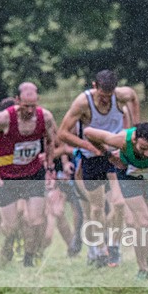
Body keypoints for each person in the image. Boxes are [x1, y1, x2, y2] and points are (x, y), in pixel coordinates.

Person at [58, 69, 139, 267]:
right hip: (91, 159)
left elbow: (133, 97)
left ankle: (114, 246)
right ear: (95, 87)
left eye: (109, 96)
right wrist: (88, 146)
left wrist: (134, 130)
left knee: (119, 204)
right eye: (102, 96)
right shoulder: (82, 102)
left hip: (114, 157)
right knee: (96, 208)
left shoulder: (122, 95)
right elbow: (63, 133)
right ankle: (99, 247)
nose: (105, 100)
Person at [0, 82, 57, 267]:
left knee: (35, 220)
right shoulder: (5, 118)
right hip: (8, 178)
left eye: (33, 105)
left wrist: (49, 165)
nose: (29, 110)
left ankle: (29, 259)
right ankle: (7, 246)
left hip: (33, 174)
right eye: (26, 106)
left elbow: (51, 140)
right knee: (10, 227)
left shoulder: (45, 117)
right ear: (17, 100)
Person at [84, 122, 148, 279]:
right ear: (134, 140)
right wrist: (108, 155)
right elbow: (88, 132)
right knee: (143, 223)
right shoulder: (121, 140)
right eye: (142, 148)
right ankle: (143, 269)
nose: (147, 153)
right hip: (129, 178)